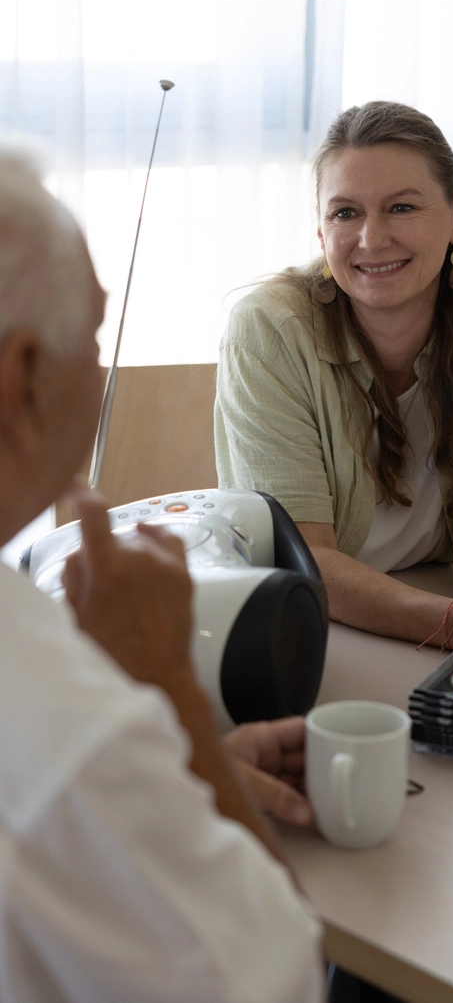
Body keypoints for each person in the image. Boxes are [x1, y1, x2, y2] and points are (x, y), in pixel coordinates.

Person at [0, 144, 323, 1002]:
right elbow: (277, 974)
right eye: (95, 338)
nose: (100, 371)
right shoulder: (61, 712)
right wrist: (166, 688)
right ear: (22, 378)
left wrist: (183, 761)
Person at [215, 101, 453, 664]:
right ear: (321, 230)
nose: (372, 239)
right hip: (307, 623)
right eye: (346, 212)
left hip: (424, 599)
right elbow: (304, 555)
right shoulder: (269, 329)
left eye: (401, 207)